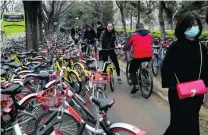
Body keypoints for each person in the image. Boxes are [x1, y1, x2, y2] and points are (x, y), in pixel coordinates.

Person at [161, 11, 208, 135]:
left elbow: (206, 68)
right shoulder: (175, 47)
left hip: (196, 93)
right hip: (178, 94)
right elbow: (166, 69)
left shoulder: (201, 47)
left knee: (193, 122)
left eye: (196, 24)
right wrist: (174, 85)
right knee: (178, 123)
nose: (194, 28)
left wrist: (204, 84)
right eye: (191, 25)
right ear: (183, 27)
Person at [124, 23, 152, 94]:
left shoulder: (134, 35)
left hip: (138, 56)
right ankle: (145, 76)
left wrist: (125, 48)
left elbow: (128, 44)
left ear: (136, 28)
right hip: (148, 55)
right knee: (144, 64)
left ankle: (136, 85)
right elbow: (150, 43)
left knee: (132, 70)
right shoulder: (149, 35)